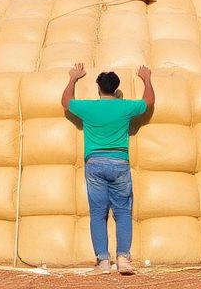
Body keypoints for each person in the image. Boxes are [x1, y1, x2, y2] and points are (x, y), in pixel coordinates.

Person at [62, 63, 154, 275]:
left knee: (97, 213)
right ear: (116, 89)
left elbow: (66, 102)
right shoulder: (125, 107)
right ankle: (123, 259)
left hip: (95, 163)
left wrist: (73, 78)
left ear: (98, 88)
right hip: (119, 161)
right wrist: (146, 79)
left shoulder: (89, 107)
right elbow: (148, 102)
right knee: (122, 212)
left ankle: (103, 261)